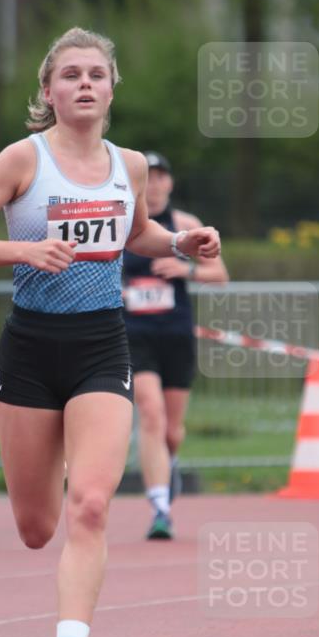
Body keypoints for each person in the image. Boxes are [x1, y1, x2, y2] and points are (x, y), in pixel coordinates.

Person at [0, 27, 222, 637]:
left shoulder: (129, 165)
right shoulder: (22, 159)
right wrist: (25, 250)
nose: (85, 84)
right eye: (70, 75)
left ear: (111, 87)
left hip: (102, 344)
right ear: (48, 90)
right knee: (38, 527)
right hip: (30, 351)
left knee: (91, 506)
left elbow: (137, 233)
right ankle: (58, 464)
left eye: (96, 73)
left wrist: (180, 242)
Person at [122, 152, 229, 540]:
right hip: (134, 334)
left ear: (170, 183)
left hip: (176, 334)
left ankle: (171, 461)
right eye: (147, 177)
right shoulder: (124, 223)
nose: (153, 184)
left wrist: (186, 269)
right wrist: (120, 290)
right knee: (149, 414)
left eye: (160, 177)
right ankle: (160, 508)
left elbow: (219, 275)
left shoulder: (185, 225)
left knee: (171, 430)